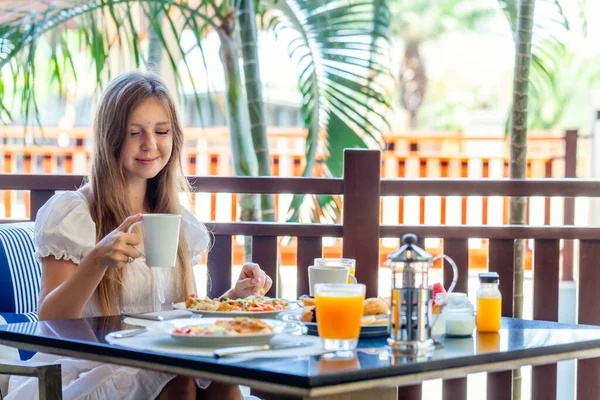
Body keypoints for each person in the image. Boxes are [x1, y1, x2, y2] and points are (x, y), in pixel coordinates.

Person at [6, 71, 272, 400]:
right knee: (180, 379)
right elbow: (51, 320)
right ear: (111, 137)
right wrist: (97, 260)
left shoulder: (177, 220)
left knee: (218, 376)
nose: (150, 144)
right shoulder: (76, 214)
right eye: (135, 132)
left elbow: (183, 313)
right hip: (89, 367)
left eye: (161, 131)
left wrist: (235, 297)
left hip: (162, 359)